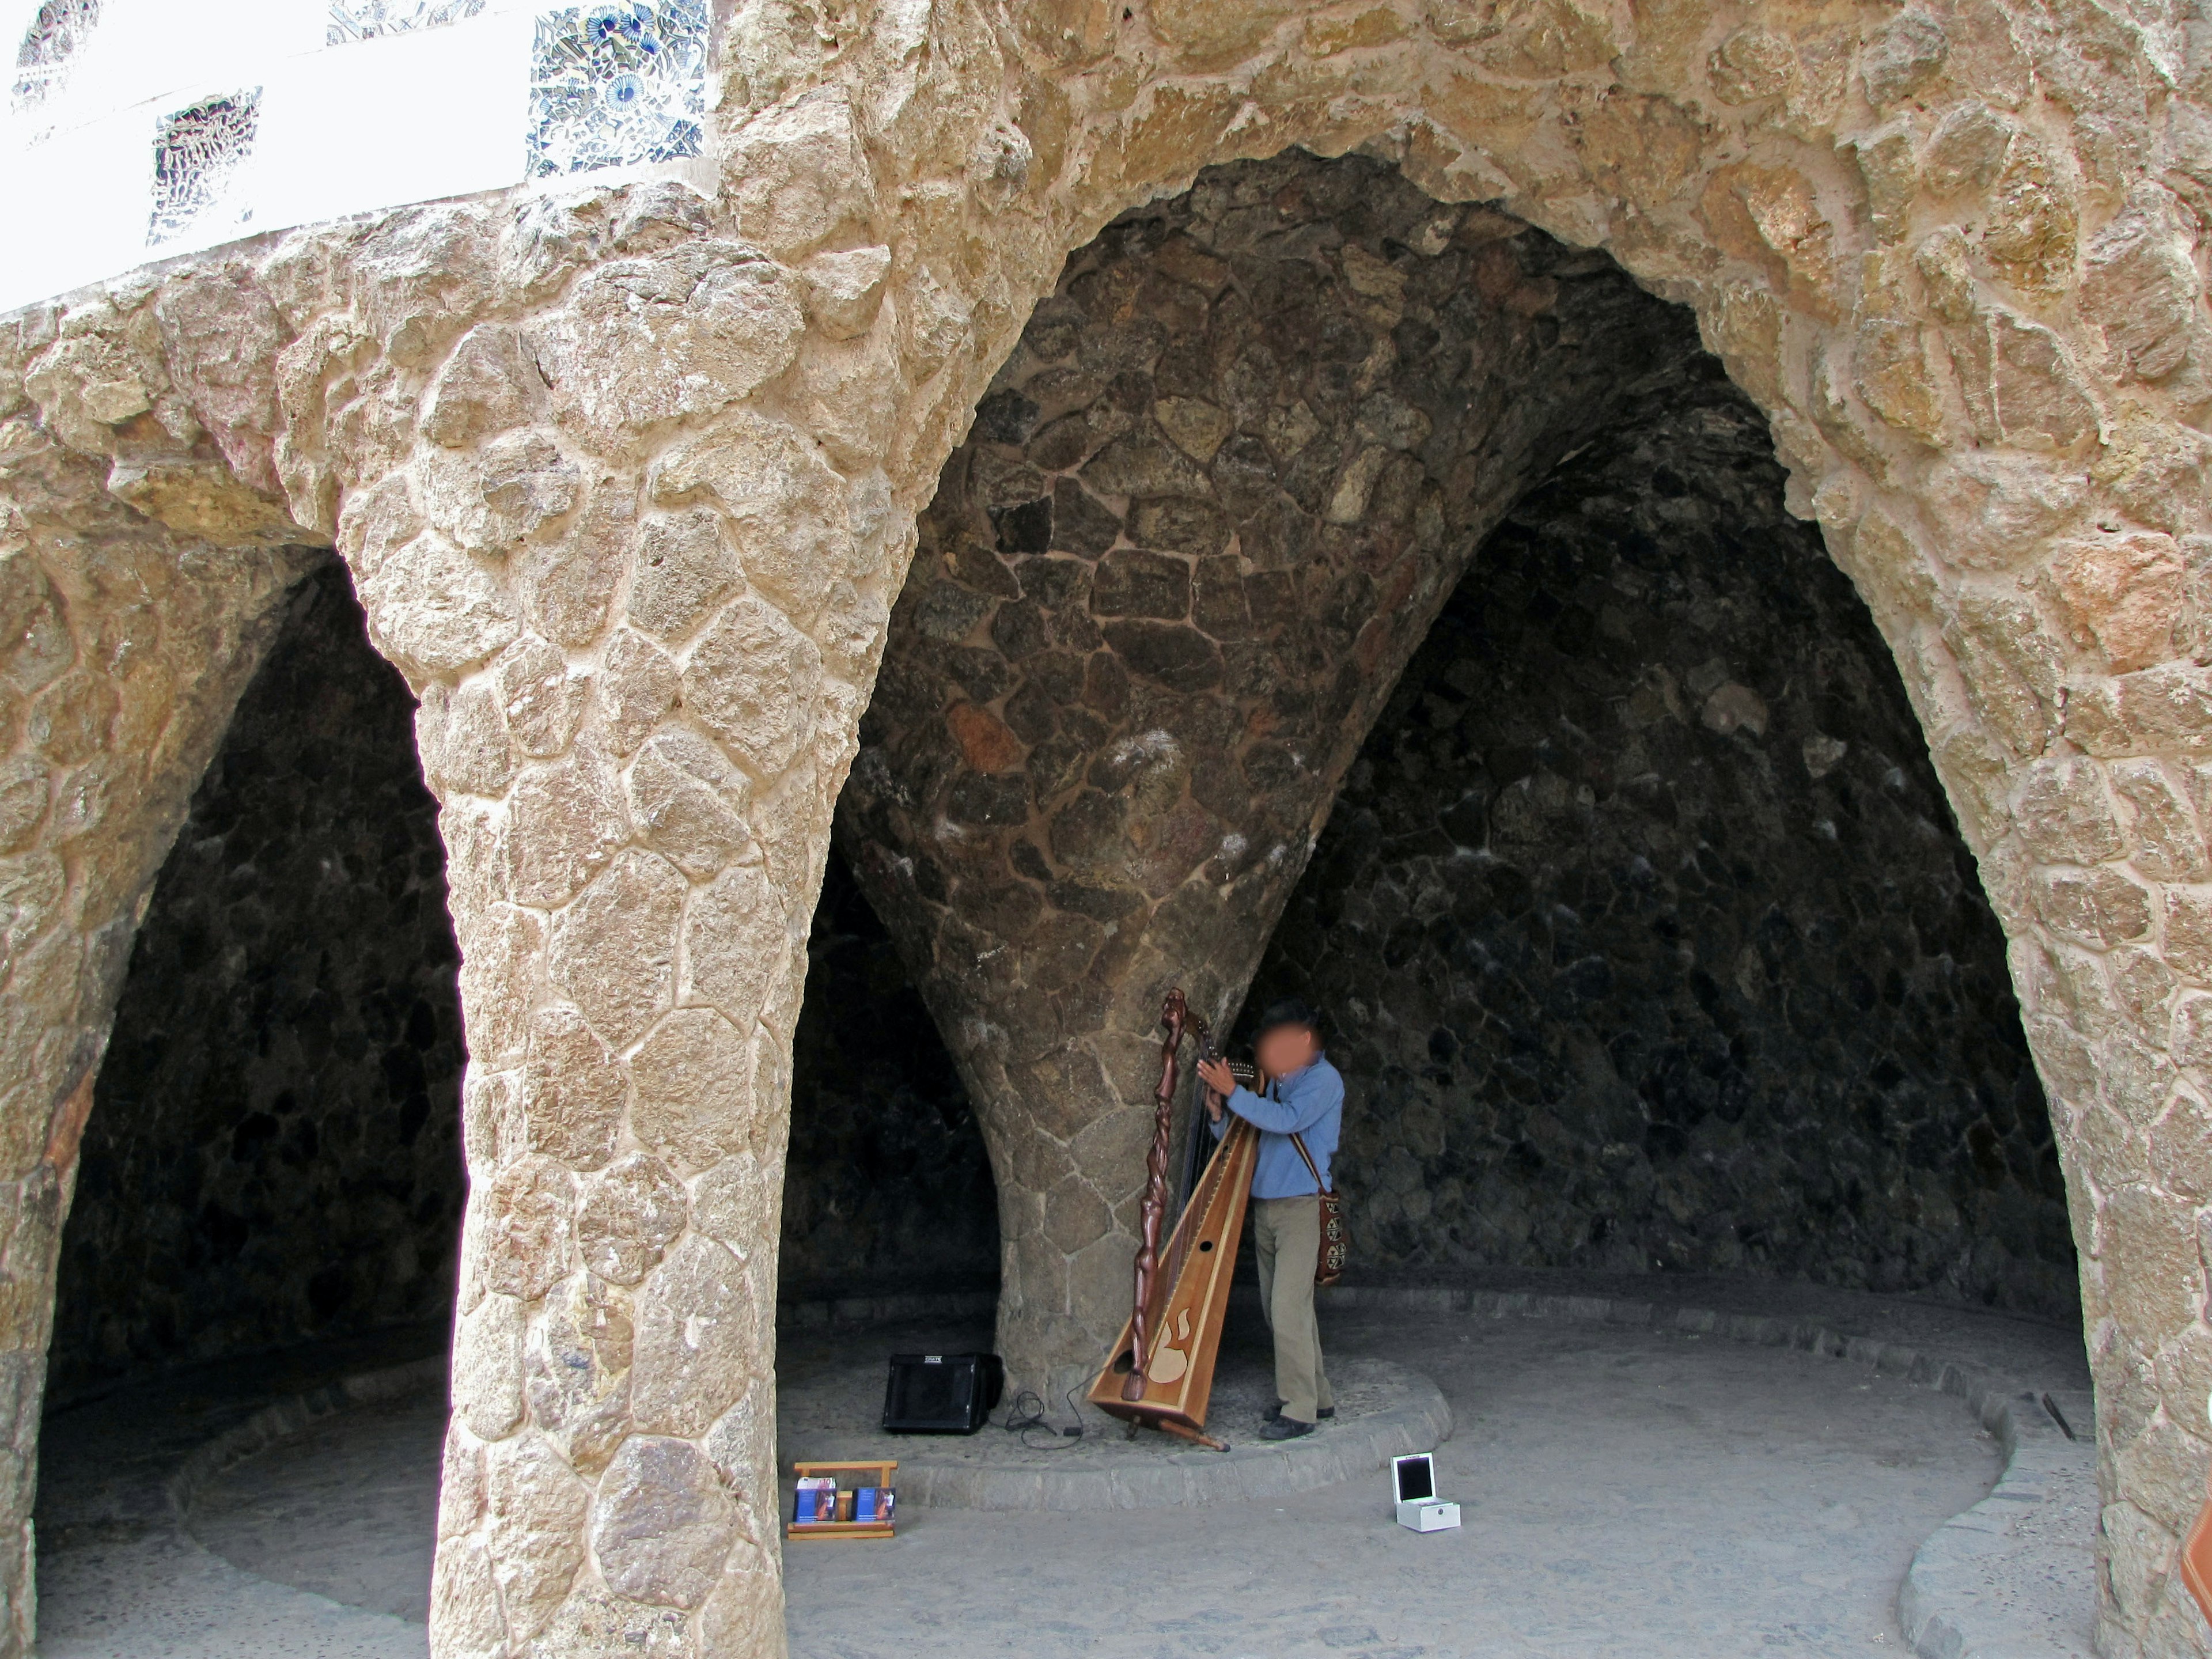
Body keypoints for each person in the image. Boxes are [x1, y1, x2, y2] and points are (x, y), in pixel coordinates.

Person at [1195, 998, 1343, 1442]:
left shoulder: (1322, 1081)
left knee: (1286, 1308)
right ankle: (1318, 1395)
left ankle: (1299, 1410)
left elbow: (1286, 1122)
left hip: (1300, 1208)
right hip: (1266, 1207)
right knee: (1280, 1308)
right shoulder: (1277, 1083)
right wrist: (1221, 1115)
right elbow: (1252, 1137)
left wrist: (1238, 1093)